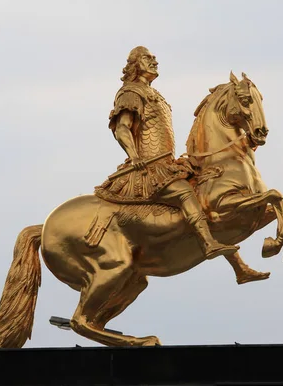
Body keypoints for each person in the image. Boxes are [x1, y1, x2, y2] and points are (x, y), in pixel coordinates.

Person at [94, 46, 238, 260]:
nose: (154, 61)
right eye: (147, 58)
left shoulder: (154, 94)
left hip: (167, 163)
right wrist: (134, 156)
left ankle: (237, 264)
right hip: (148, 168)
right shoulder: (131, 92)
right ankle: (208, 245)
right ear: (135, 65)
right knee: (185, 193)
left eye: (154, 58)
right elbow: (122, 127)